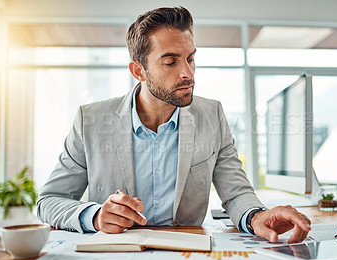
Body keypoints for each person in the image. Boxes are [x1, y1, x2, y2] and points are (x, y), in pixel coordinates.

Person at [37, 6, 311, 244]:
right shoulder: (91, 121)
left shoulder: (212, 115)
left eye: (191, 59)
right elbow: (49, 201)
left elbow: (236, 192)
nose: (188, 73)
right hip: (117, 253)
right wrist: (95, 216)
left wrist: (256, 216)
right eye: (170, 62)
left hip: (187, 251)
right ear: (138, 71)